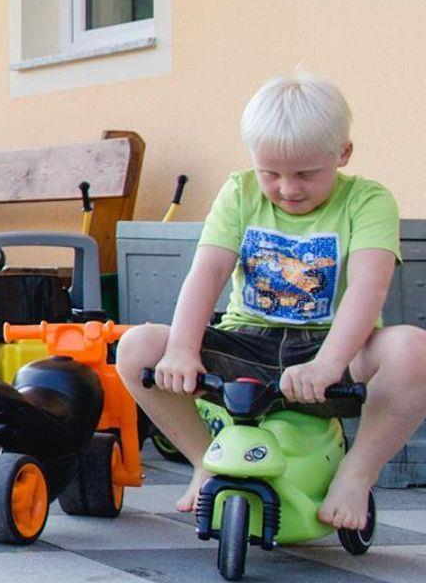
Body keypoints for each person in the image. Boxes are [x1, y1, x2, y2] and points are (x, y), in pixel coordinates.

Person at [120, 73, 426, 529]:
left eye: (305, 174)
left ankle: (358, 473)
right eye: (271, 173)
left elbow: (369, 287)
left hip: (331, 348)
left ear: (343, 153)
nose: (287, 188)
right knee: (136, 347)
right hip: (248, 343)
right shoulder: (240, 191)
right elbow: (207, 272)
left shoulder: (368, 200)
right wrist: (182, 350)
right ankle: (205, 462)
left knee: (414, 349)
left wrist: (327, 363)